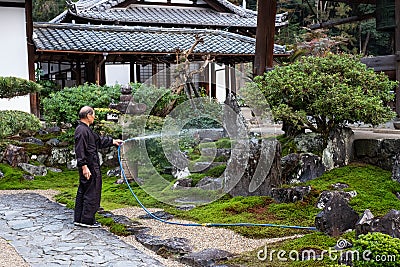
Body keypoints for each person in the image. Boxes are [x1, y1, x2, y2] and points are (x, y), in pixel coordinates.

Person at [73, 106, 123, 228]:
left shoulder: (86, 130)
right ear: (88, 115)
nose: (94, 117)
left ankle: (79, 219)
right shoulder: (82, 130)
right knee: (92, 192)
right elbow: (79, 150)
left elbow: (98, 141)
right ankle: (87, 220)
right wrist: (84, 166)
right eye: (93, 114)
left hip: (90, 165)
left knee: (84, 191)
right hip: (89, 166)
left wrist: (112, 141)